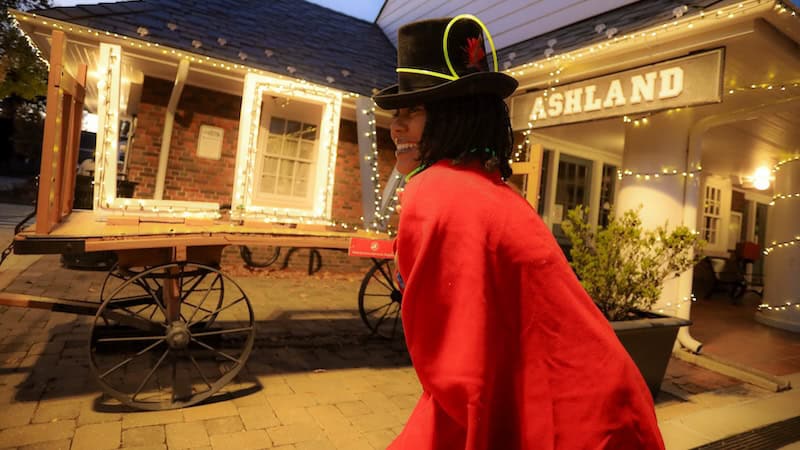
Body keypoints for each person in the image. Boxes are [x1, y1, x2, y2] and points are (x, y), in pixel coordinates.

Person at [373, 15, 665, 450]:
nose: (396, 127)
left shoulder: (433, 189)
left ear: (455, 117)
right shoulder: (494, 189)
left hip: (568, 422)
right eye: (395, 113)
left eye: (413, 111)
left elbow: (458, 372)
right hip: (604, 406)